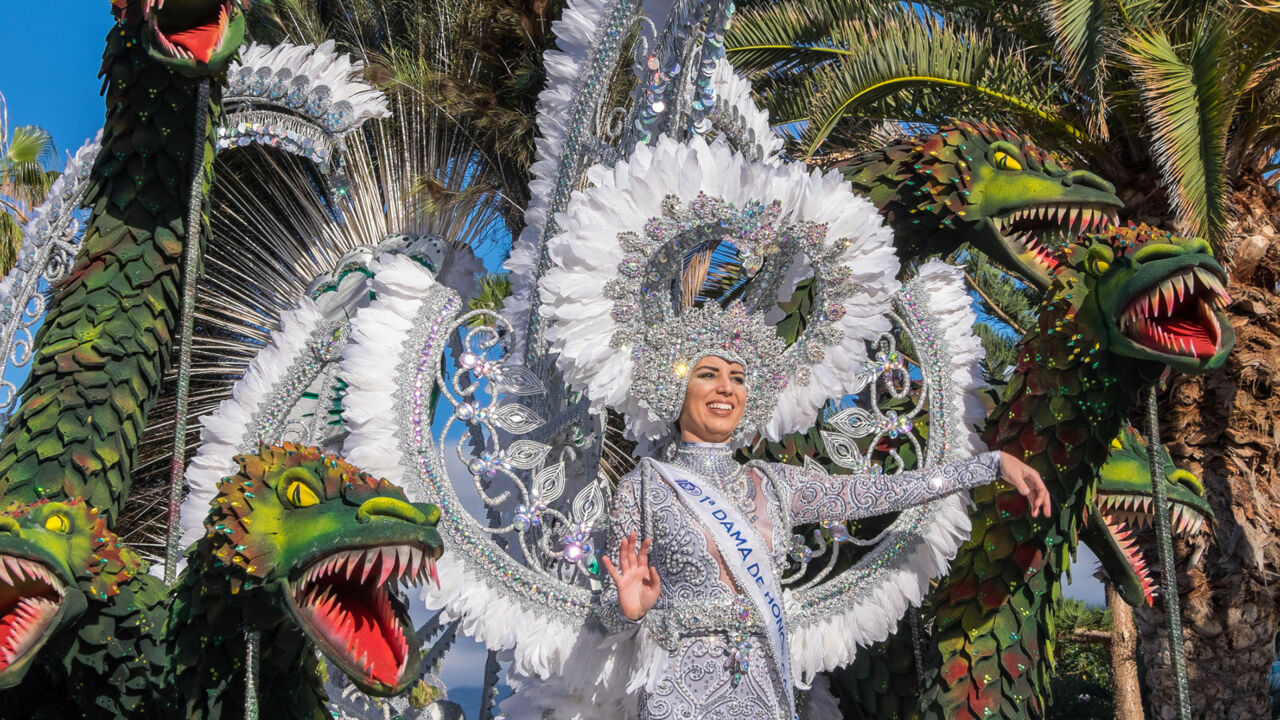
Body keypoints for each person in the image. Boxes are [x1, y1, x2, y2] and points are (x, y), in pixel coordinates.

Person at [600, 354, 1050, 720]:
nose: (726, 388)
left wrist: (988, 466)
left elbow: (877, 491)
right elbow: (608, 614)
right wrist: (630, 612)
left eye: (737, 378)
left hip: (765, 688)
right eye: (708, 375)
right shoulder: (642, 487)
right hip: (678, 692)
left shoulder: (771, 484)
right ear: (677, 390)